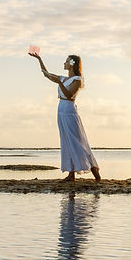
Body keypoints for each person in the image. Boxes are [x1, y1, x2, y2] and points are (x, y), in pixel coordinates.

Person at [29, 51, 101, 182]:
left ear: (72, 64)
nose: (64, 63)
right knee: (66, 140)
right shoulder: (63, 78)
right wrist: (39, 59)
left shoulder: (77, 80)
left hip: (69, 109)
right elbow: (46, 74)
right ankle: (71, 174)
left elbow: (68, 95)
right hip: (61, 109)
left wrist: (60, 83)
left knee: (77, 141)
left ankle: (95, 171)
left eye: (67, 61)